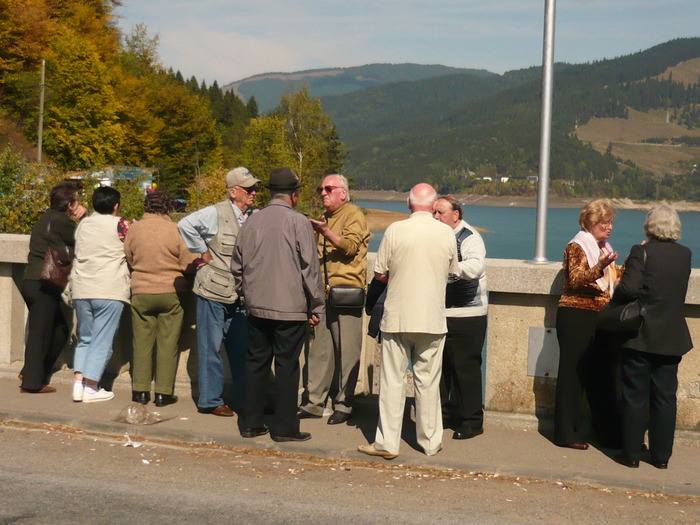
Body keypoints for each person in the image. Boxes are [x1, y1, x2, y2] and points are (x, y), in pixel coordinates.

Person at [358, 183, 457, 459]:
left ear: (408, 203)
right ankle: (430, 442)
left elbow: (380, 273)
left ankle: (387, 443)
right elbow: (452, 271)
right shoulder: (446, 233)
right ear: (434, 205)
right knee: (428, 382)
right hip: (432, 319)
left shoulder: (395, 230)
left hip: (398, 317)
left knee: (392, 382)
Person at [231, 167, 325, 442]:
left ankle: (250, 423)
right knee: (287, 366)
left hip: (257, 307)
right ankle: (284, 428)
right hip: (290, 308)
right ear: (294, 196)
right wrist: (316, 306)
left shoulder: (251, 222)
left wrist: (246, 294)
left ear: (271, 193)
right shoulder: (299, 222)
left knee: (256, 364)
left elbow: (237, 266)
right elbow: (311, 270)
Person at [612, 204, 693, 469]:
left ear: (650, 226)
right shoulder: (685, 254)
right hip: (672, 335)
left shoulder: (641, 252)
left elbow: (628, 289)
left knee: (635, 396)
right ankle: (661, 457)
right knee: (665, 398)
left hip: (641, 334)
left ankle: (632, 454)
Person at [178, 167, 260, 417]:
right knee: (210, 348)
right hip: (212, 290)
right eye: (248, 189)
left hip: (241, 295)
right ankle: (210, 400)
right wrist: (202, 251)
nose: (254, 193)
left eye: (255, 188)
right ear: (234, 192)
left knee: (242, 348)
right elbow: (184, 224)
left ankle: (246, 399)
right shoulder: (214, 213)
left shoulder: (255, 216)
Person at [299, 174, 370, 425]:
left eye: (329, 189)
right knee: (320, 350)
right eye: (321, 189)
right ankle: (313, 402)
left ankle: (344, 404)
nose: (323, 193)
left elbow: (350, 247)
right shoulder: (325, 218)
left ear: (343, 192)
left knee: (348, 351)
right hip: (322, 294)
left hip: (346, 294)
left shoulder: (353, 215)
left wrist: (326, 231)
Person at [554, 198, 621, 449]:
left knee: (600, 375)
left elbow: (612, 278)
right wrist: (600, 267)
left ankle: (607, 433)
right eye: (605, 223)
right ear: (592, 222)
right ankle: (565, 434)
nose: (609, 227)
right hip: (575, 315)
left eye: (611, 222)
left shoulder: (602, 247)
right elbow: (576, 279)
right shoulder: (577, 245)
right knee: (573, 375)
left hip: (597, 315)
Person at [124, 190, 199, 407]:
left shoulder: (135, 228)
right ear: (168, 208)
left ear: (147, 206)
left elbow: (129, 256)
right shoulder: (175, 229)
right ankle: (163, 393)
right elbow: (187, 263)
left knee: (141, 344)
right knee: (168, 344)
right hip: (170, 292)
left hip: (141, 290)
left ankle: (140, 391)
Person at [19, 182, 87, 393]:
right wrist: (84, 217)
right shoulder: (61, 221)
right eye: (75, 201)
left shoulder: (46, 217)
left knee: (60, 329)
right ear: (69, 204)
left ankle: (33, 371)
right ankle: (31, 383)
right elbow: (85, 238)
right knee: (40, 333)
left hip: (33, 281)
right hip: (44, 283)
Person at [433, 195, 488, 440]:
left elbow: (476, 267)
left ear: (455, 215)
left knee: (465, 369)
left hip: (467, 314)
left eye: (440, 213)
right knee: (441, 369)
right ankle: (446, 415)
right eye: (433, 212)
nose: (435, 217)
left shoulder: (469, 237)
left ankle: (472, 421)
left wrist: (448, 267)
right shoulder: (437, 237)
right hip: (441, 311)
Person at [71, 186, 130, 403]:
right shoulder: (121, 224)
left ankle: (78, 384)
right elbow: (132, 247)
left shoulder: (83, 225)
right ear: (116, 205)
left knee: (85, 338)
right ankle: (92, 386)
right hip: (109, 287)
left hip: (81, 288)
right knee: (102, 339)